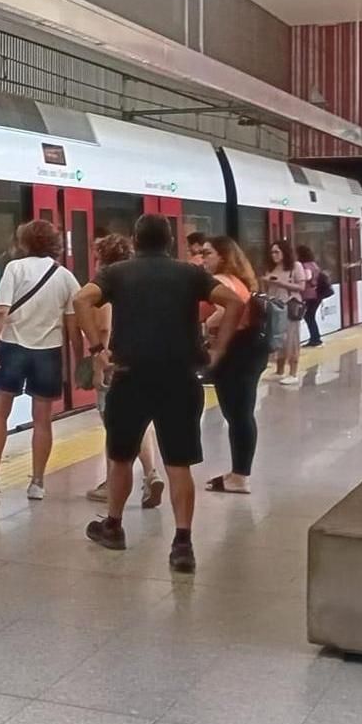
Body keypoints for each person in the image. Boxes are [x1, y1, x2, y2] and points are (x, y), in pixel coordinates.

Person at [74, 214, 243, 573]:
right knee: (178, 464)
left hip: (130, 376)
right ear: (169, 242)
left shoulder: (117, 273)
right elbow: (234, 302)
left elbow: (81, 300)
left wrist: (97, 350)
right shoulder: (190, 273)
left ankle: (114, 526)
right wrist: (219, 349)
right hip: (180, 379)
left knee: (120, 457)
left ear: (135, 239)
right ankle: (183, 543)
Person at [0, 219, 79, 499]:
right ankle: (38, 484)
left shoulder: (14, 268)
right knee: (42, 420)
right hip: (48, 353)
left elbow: (0, 312)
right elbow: (72, 324)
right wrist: (79, 359)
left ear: (24, 242)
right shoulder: (65, 276)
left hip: (13, 348)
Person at [84, 233, 164, 509]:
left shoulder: (107, 287)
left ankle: (112, 484)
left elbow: (104, 327)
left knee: (115, 427)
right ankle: (151, 475)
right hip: (140, 359)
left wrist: (98, 364)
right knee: (141, 421)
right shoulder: (140, 285)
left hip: (114, 364)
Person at [204, 237, 272, 495]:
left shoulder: (222, 281)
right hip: (249, 351)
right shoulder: (239, 280)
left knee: (238, 414)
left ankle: (240, 476)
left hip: (237, 354)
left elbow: (225, 311)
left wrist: (207, 324)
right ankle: (238, 472)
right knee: (240, 413)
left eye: (208, 253)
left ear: (222, 256)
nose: (203, 258)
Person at [263, 240, 308, 386]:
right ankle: (279, 370)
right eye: (272, 252)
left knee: (292, 339)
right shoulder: (272, 268)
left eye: (277, 252)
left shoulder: (296, 266)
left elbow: (301, 287)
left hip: (289, 306)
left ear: (285, 252)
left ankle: (293, 372)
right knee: (277, 339)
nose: (274, 255)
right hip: (274, 307)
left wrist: (281, 284)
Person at [296, 244, 325, 348]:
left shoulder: (305, 265)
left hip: (309, 295)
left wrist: (298, 278)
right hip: (316, 294)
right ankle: (315, 338)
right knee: (310, 316)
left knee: (309, 316)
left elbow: (308, 277)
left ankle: (315, 339)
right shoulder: (313, 264)